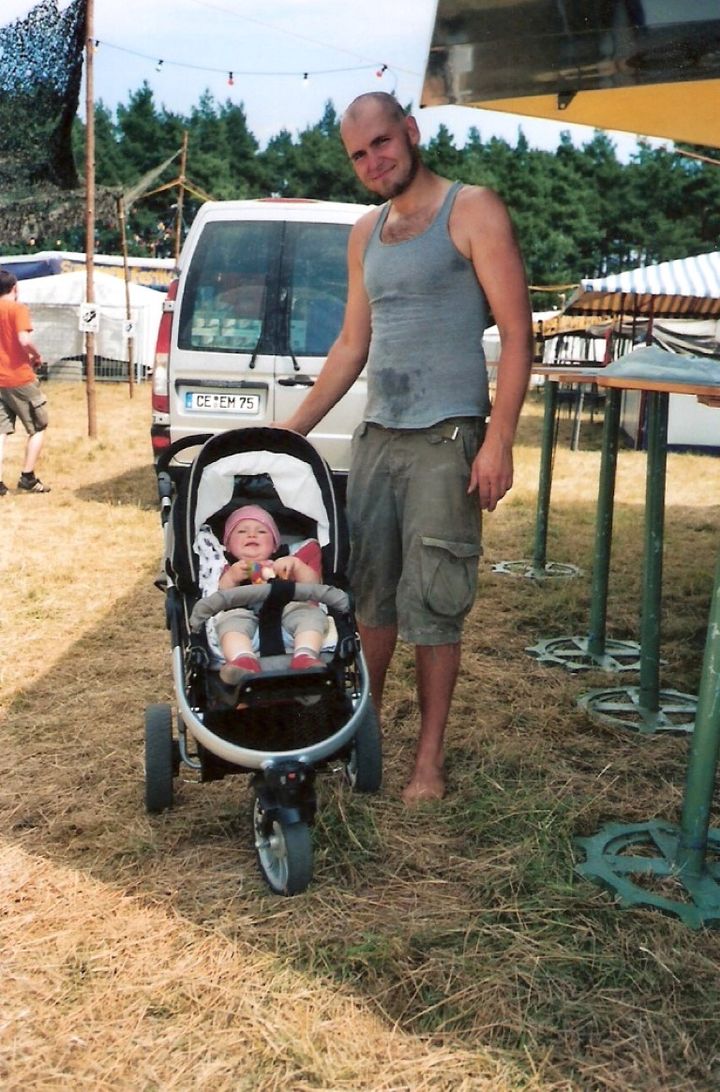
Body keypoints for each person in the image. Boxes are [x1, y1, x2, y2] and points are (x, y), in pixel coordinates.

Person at [278, 92, 533, 804]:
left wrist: (499, 440)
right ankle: (360, 736)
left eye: (382, 143)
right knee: (370, 598)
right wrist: (288, 433)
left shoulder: (472, 209)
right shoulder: (365, 233)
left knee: (435, 603)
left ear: (412, 132)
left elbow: (519, 334)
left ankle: (428, 761)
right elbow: (350, 345)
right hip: (378, 440)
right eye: (358, 155)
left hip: (446, 440)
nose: (373, 162)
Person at [213, 505, 328, 685]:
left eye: (262, 531)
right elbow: (222, 596)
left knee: (310, 614)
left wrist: (297, 566)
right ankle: (242, 660)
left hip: (289, 621)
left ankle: (305, 656)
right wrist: (232, 577)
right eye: (241, 531)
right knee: (229, 622)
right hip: (246, 626)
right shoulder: (226, 566)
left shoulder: (287, 562)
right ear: (227, 546)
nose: (252, 535)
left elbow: (313, 587)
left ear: (275, 545)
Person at [0, 269, 50, 495]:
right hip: (19, 377)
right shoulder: (17, 309)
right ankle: (27, 477)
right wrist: (37, 355)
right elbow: (23, 339)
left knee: (1, 431)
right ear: (14, 287)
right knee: (39, 425)